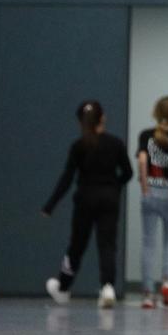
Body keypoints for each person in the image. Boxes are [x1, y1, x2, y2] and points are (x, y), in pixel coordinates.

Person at [43, 101, 133, 308]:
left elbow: (67, 178)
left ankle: (63, 287)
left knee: (77, 244)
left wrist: (50, 205)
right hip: (109, 199)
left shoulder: (79, 146)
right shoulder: (115, 143)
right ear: (103, 118)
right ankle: (108, 287)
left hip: (85, 198)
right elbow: (128, 173)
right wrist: (114, 187)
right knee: (107, 245)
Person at [137, 96, 168, 309]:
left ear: (155, 112)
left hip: (150, 192)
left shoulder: (145, 135)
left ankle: (148, 293)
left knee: (148, 242)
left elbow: (141, 160)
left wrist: (145, 187)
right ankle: (167, 281)